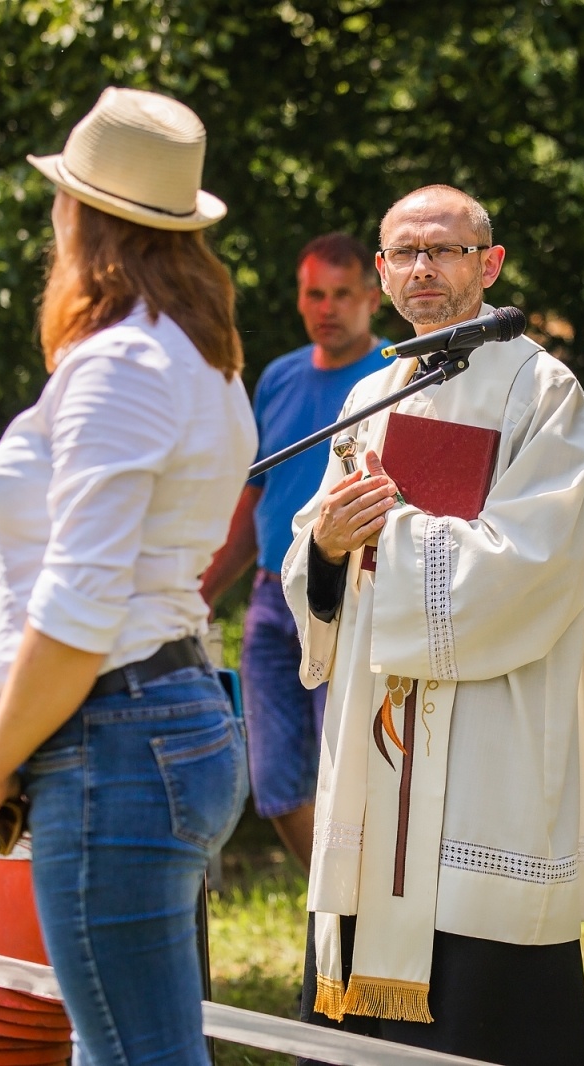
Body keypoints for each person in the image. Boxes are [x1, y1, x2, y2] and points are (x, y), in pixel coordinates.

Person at [0, 89, 256, 1066]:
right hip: (157, 721)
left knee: (132, 1054)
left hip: (111, 736)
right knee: (122, 1048)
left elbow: (80, 613)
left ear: (81, 215)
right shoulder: (198, 355)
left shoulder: (122, 362)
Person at [283, 184, 584, 1064]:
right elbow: (313, 552)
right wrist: (323, 547)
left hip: (488, 737)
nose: (422, 268)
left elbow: (537, 563)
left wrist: (385, 536)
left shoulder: (542, 389)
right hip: (381, 733)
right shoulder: (378, 391)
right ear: (382, 273)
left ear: (489, 264)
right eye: (404, 254)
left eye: (445, 250)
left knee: (484, 992)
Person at [200, 233, 384, 871]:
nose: (327, 308)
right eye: (314, 293)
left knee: (351, 774)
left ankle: (362, 917)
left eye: (342, 294)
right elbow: (257, 500)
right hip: (270, 599)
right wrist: (200, 596)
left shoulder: (399, 373)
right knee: (274, 784)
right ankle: (333, 905)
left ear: (372, 298)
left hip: (350, 594)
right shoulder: (277, 377)